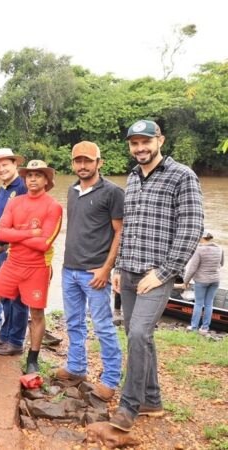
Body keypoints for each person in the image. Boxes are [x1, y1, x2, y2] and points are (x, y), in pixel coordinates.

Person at [109, 119, 203, 432]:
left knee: (137, 333)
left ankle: (129, 405)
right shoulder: (133, 178)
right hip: (130, 271)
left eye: (146, 141)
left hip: (157, 276)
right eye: (134, 143)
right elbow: (130, 227)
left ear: (160, 140)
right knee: (138, 336)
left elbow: (191, 229)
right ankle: (151, 398)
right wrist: (119, 267)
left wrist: (163, 273)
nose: (140, 148)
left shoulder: (182, 175)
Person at [0, 160, 62, 376]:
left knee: (36, 313)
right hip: (12, 262)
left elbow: (45, 243)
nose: (33, 179)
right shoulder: (15, 202)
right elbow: (2, 233)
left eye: (38, 175)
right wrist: (31, 234)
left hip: (37, 266)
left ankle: (32, 358)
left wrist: (19, 235)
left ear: (47, 180)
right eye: (29, 175)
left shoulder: (54, 206)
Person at [53, 141, 124, 402]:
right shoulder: (72, 191)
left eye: (88, 161)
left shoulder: (113, 192)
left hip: (95, 273)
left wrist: (107, 268)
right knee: (73, 322)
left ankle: (110, 379)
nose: (82, 166)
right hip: (69, 269)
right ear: (72, 163)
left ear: (99, 162)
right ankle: (76, 367)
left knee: (103, 326)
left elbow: (120, 232)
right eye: (78, 161)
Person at [0, 148, 27, 353]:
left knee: (17, 298)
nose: (2, 169)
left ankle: (16, 341)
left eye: (5, 165)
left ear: (15, 165)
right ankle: (5, 334)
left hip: (14, 251)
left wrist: (14, 248)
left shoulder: (22, 187)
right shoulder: (3, 189)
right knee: (5, 296)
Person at [183, 232, 224, 334]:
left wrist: (186, 281)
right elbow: (221, 264)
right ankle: (205, 328)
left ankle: (194, 327)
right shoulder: (219, 248)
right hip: (215, 280)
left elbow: (192, 269)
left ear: (202, 238)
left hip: (202, 281)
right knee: (209, 304)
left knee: (199, 304)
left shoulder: (199, 250)